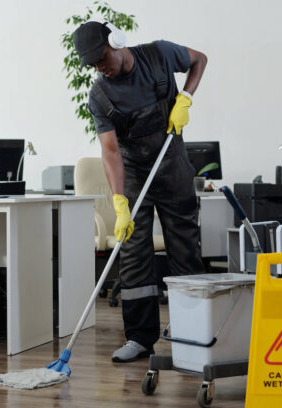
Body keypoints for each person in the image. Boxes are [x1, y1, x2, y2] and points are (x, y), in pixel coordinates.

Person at [73, 21, 208, 362]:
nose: (99, 67)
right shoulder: (100, 95)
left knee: (185, 247)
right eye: (92, 64)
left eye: (101, 58)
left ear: (115, 41)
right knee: (133, 253)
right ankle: (139, 338)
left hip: (172, 164)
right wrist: (119, 202)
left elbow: (200, 59)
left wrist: (186, 97)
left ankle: (192, 332)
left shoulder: (160, 54)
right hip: (133, 172)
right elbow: (110, 152)